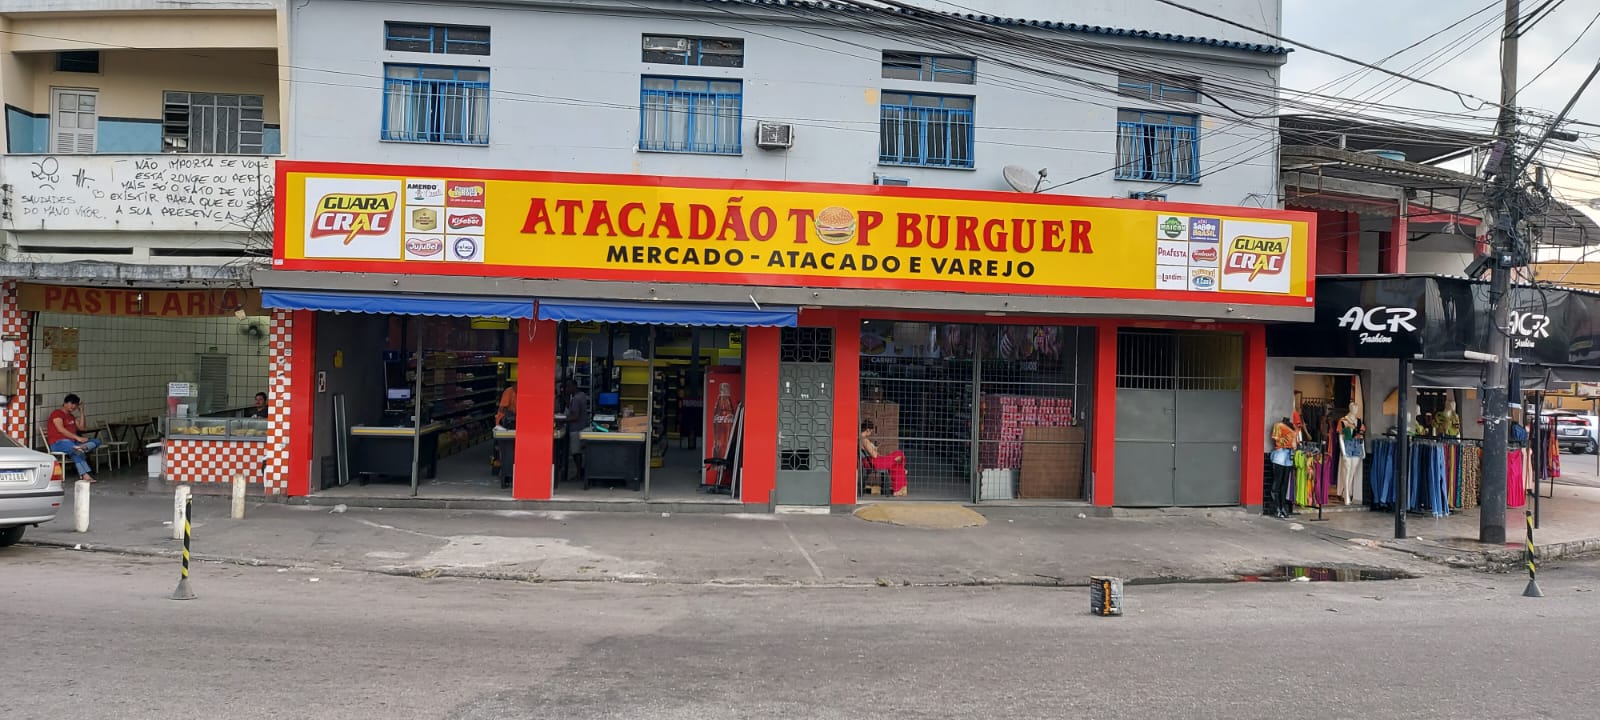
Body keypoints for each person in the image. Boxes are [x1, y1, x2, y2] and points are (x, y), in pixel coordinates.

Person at [48, 393, 101, 483]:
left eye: (76, 405)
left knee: (96, 441)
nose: (73, 406)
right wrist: (78, 438)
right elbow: (61, 429)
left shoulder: (72, 417)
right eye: (71, 403)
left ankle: (82, 448)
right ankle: (85, 475)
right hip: (58, 443)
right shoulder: (57, 413)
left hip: (73, 443)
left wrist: (81, 411)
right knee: (76, 449)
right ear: (65, 403)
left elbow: (82, 428)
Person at [859, 419, 908, 496]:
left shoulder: (861, 439)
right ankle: (899, 487)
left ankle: (898, 490)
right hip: (875, 462)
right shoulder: (864, 440)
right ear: (867, 430)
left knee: (896, 464)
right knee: (899, 453)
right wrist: (875, 448)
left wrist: (874, 448)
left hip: (871, 461)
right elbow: (874, 455)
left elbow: (870, 453)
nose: (871, 433)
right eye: (871, 431)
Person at [1269, 416, 1300, 518]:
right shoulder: (1278, 425)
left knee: (1285, 483)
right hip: (1280, 452)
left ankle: (1282, 506)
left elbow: (1296, 442)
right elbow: (1276, 440)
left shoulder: (1293, 427)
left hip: (1289, 454)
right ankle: (1277, 507)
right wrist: (1289, 441)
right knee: (1278, 482)